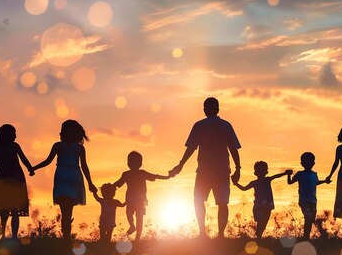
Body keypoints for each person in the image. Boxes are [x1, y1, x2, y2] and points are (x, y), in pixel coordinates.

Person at [169, 97, 241, 238]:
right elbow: (233, 148)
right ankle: (220, 234)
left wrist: (181, 164)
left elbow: (191, 148)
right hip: (221, 171)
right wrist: (238, 168)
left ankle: (203, 232)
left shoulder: (200, 125)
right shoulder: (225, 125)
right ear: (218, 109)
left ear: (206, 109)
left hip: (205, 171)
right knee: (222, 202)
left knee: (199, 200)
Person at [31, 120, 97, 240]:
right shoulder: (79, 148)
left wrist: (33, 168)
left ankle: (65, 234)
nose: (60, 132)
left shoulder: (59, 146)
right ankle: (66, 234)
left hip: (62, 177)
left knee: (64, 209)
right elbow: (84, 166)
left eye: (62, 130)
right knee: (68, 210)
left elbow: (47, 161)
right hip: (74, 177)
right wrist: (90, 183)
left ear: (67, 132)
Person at [0, 124, 33, 239]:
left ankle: (7, 235)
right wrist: (30, 169)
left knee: (9, 209)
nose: (15, 136)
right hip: (12, 180)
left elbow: (23, 159)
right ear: (8, 135)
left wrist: (30, 168)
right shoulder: (11, 147)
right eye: (13, 134)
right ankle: (10, 236)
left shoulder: (0, 148)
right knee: (10, 209)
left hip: (7, 180)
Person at [113, 151, 169, 241]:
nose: (132, 164)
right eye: (130, 162)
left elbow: (154, 176)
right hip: (131, 199)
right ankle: (132, 226)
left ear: (140, 163)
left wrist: (166, 177)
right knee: (129, 214)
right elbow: (118, 183)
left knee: (139, 218)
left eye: (134, 162)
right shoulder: (126, 174)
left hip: (140, 200)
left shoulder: (142, 173)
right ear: (128, 163)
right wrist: (110, 186)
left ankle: (137, 238)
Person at [233, 161, 288, 239]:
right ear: (255, 172)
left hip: (267, 206)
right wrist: (236, 184)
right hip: (259, 206)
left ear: (266, 172)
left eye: (262, 170)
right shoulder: (255, 182)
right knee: (261, 221)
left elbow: (276, 176)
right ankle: (258, 236)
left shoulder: (267, 180)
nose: (261, 172)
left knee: (264, 222)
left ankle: (258, 236)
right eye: (259, 170)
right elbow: (244, 188)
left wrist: (285, 173)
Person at [287, 152, 330, 240]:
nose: (308, 164)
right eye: (306, 162)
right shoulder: (300, 174)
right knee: (308, 217)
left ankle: (307, 237)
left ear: (313, 163)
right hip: (304, 201)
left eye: (310, 162)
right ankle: (305, 237)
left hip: (313, 201)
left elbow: (316, 183)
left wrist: (325, 181)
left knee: (311, 220)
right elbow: (290, 182)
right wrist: (288, 174)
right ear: (302, 163)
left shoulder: (314, 174)